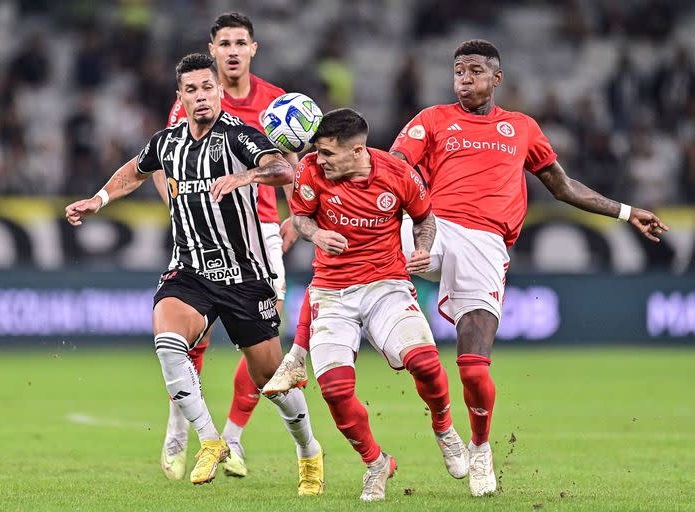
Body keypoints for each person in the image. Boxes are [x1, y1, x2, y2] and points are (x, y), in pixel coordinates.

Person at [270, 39, 669, 497]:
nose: (465, 79)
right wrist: (313, 205)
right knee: (346, 250)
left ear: (497, 78)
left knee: (473, 368)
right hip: (430, 223)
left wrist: (624, 211)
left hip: (484, 243)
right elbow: (390, 166)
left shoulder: (521, 128)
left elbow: (561, 187)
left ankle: (478, 448)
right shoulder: (432, 119)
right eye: (459, 71)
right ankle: (299, 353)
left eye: (475, 71)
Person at [65, 53, 324, 494]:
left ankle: (308, 452)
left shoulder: (239, 136)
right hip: (191, 271)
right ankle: (209, 440)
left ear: (219, 91)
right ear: (180, 96)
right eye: (192, 90)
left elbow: (285, 167)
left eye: (208, 87)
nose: (201, 96)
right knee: (167, 342)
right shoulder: (167, 143)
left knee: (272, 381)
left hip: (245, 275)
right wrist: (99, 199)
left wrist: (246, 178)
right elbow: (134, 170)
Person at [151, 12, 304, 480]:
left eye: (241, 42)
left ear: (253, 49)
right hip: (201, 232)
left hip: (260, 232)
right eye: (224, 43)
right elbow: (161, 160)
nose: (233, 50)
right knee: (187, 333)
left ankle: (232, 438)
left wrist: (296, 214)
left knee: (261, 345)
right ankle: (184, 430)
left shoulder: (277, 102)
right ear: (212, 49)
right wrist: (180, 206)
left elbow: (294, 160)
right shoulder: (193, 99)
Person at [291, 108, 467, 501]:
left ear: (357, 151)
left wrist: (422, 248)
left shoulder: (399, 174)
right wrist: (317, 234)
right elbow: (300, 218)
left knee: (424, 361)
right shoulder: (309, 170)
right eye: (318, 153)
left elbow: (425, 219)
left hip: (386, 285)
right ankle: (376, 462)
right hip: (332, 292)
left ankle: (445, 429)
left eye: (327, 154)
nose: (319, 160)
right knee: (335, 390)